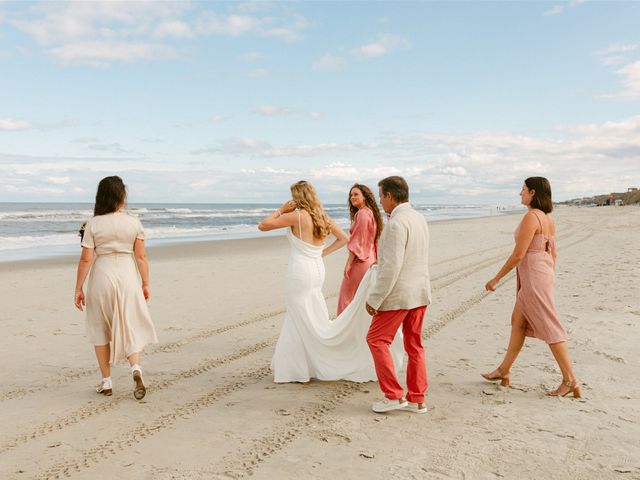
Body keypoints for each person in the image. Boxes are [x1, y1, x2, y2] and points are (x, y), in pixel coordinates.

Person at [258, 180, 403, 383]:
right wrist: (320, 254)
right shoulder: (321, 217)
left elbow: (263, 225)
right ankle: (305, 362)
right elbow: (344, 238)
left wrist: (281, 209)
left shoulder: (296, 216)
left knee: (298, 316)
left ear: (299, 197)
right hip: (317, 269)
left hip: (300, 271)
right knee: (311, 314)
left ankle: (298, 367)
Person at [482, 177, 580, 398]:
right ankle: (504, 370)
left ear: (533, 192)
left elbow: (518, 254)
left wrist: (496, 279)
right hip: (541, 273)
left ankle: (570, 380)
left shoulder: (531, 217)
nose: (520, 193)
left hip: (535, 276)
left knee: (550, 326)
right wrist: (547, 276)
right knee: (518, 322)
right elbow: (552, 253)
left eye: (523, 189)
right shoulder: (547, 218)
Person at [74, 176, 158, 400]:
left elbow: (85, 259)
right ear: (122, 197)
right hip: (128, 276)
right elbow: (141, 257)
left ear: (101, 197)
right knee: (128, 322)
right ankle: (136, 369)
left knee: (99, 327)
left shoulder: (93, 224)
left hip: (102, 276)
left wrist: (78, 288)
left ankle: (107, 381)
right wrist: (146, 283)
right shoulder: (133, 223)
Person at [365, 176, 431, 414]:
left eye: (381, 196)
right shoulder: (419, 218)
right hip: (420, 292)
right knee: (414, 346)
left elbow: (391, 267)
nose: (381, 201)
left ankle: (393, 395)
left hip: (399, 295)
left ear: (390, 196)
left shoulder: (396, 224)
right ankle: (417, 398)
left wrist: (374, 299)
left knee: (376, 339)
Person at [337, 184, 384, 315]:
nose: (352, 197)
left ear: (365, 196)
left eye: (356, 194)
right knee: (359, 300)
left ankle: (343, 333)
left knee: (346, 299)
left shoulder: (362, 214)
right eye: (351, 195)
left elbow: (358, 242)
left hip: (360, 262)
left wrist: (348, 264)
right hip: (370, 259)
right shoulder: (370, 213)